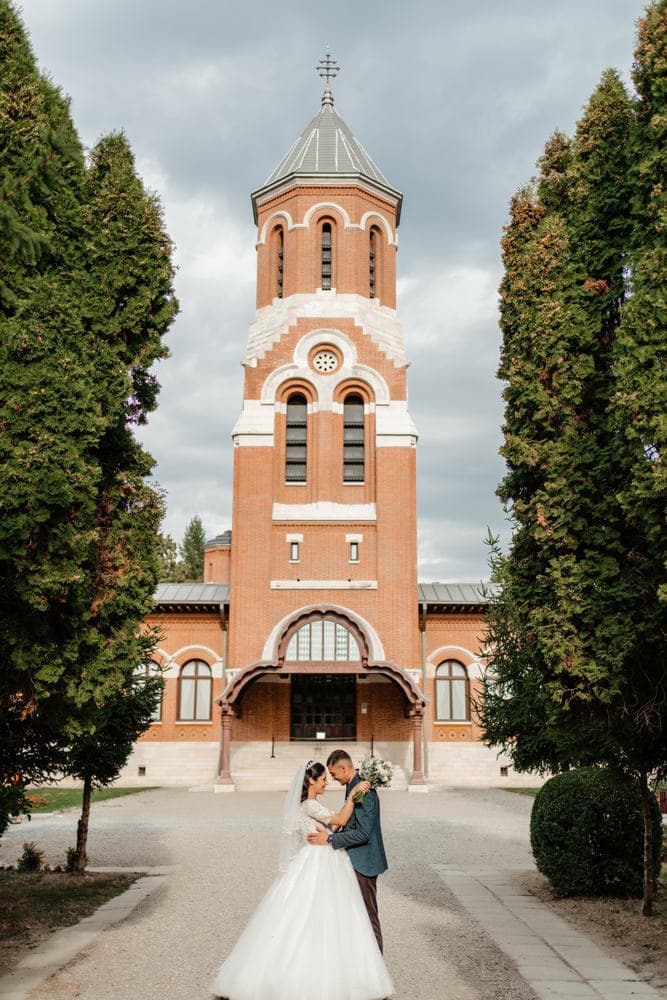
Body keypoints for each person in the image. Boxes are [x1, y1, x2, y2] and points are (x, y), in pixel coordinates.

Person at [211, 759, 394, 1000]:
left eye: (329, 777)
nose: (327, 783)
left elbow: (336, 828)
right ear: (311, 781)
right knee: (325, 916)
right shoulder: (310, 805)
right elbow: (338, 820)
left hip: (321, 857)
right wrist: (351, 800)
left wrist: (330, 835)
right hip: (319, 859)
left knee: (321, 916)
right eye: (323, 779)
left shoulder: (310, 805)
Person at [308, 749, 388, 954]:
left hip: (365, 861)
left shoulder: (363, 790)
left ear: (344, 768)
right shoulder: (353, 786)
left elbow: (363, 833)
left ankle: (376, 963)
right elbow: (349, 821)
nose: (332, 779)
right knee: (356, 914)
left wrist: (331, 838)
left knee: (369, 915)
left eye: (334, 774)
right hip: (354, 858)